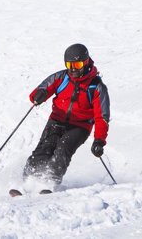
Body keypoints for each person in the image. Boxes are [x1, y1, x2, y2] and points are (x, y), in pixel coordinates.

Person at [23, 43, 110, 186]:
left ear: (86, 62)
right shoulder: (61, 77)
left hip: (80, 126)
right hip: (57, 120)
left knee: (63, 148)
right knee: (45, 147)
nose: (73, 69)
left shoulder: (96, 86)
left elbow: (102, 117)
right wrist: (39, 95)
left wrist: (99, 140)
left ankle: (50, 182)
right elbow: (43, 88)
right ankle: (28, 181)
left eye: (77, 65)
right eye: (69, 65)